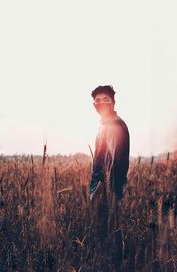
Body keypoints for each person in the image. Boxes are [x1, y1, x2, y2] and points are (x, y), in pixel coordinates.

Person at [89, 85, 130, 268]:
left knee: (111, 233)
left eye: (105, 99)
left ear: (113, 102)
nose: (101, 103)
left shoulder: (116, 126)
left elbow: (117, 162)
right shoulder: (104, 125)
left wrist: (106, 189)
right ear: (94, 105)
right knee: (103, 233)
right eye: (98, 101)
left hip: (109, 189)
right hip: (101, 188)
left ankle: (115, 266)